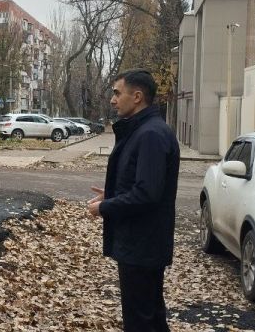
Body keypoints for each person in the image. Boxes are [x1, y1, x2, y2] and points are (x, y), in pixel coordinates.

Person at [86, 69, 179, 332]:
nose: (113, 100)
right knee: (149, 317)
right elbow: (142, 183)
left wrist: (105, 207)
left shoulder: (150, 134)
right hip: (141, 244)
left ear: (137, 97)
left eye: (117, 93)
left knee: (141, 321)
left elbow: (146, 194)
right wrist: (112, 194)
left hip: (142, 245)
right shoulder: (143, 131)